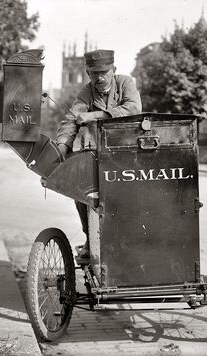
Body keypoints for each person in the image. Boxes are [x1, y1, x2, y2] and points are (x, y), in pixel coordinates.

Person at [56, 49, 142, 258]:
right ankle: (90, 239)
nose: (100, 77)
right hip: (98, 155)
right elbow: (71, 120)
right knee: (82, 195)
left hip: (127, 155)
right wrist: (61, 148)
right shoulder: (87, 92)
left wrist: (95, 115)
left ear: (114, 69)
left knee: (130, 197)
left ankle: (134, 241)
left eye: (104, 71)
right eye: (95, 73)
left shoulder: (125, 83)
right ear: (88, 73)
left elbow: (133, 109)